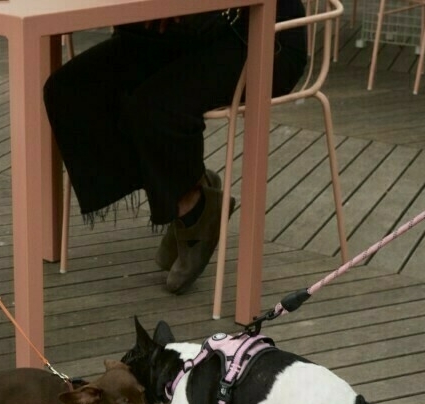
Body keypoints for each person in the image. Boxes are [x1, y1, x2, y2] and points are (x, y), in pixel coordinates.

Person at [43, 5, 308, 295]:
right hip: (177, 30)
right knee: (69, 89)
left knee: (154, 107)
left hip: (260, 36)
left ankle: (191, 205)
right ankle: (188, 182)